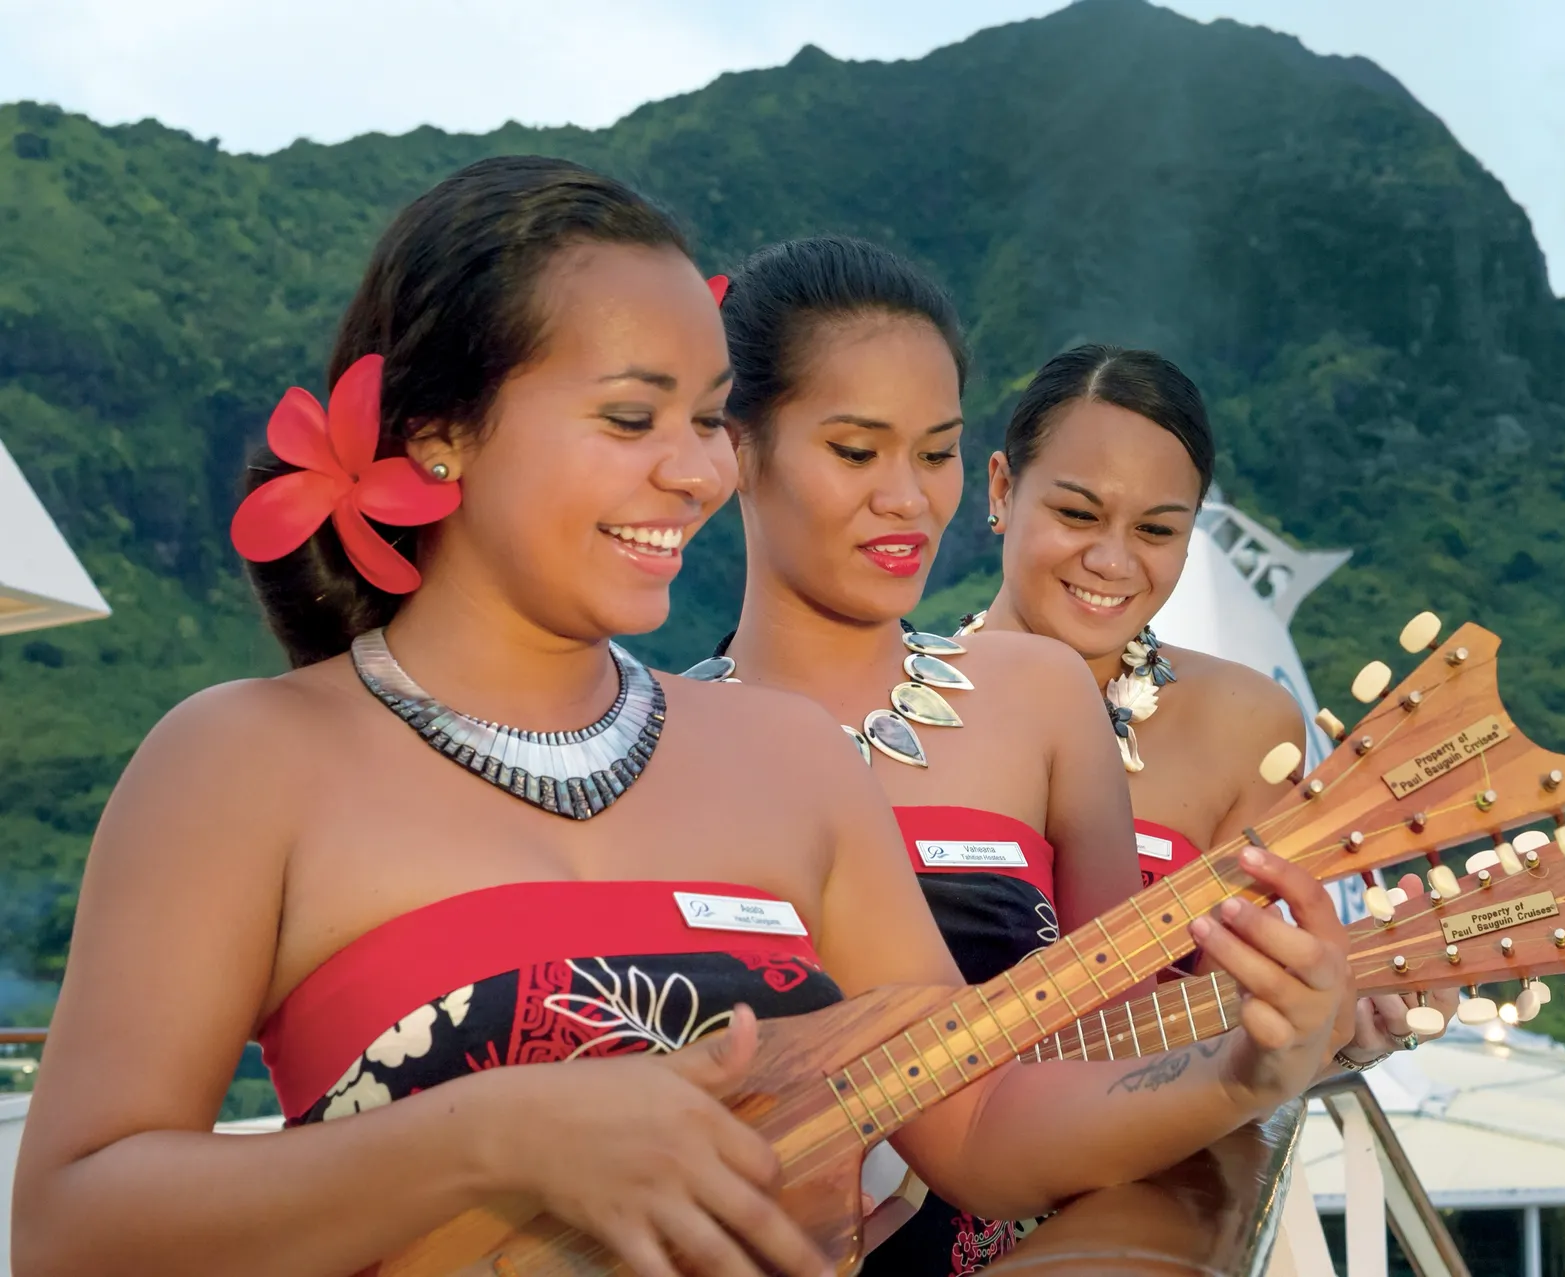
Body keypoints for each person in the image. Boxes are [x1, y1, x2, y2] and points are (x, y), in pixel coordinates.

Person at [11, 160, 1354, 1277]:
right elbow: (72, 1220)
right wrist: (492, 1136)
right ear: (439, 437)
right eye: (632, 416)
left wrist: (1244, 1063)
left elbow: (981, 1122)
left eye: (709, 419)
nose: (696, 468)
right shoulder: (243, 763)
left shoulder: (783, 757)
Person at [700, 238, 1337, 1273]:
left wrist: (1265, 1053)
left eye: (933, 450)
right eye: (858, 452)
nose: (907, 498)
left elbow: (1124, 1044)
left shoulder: (1041, 699)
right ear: (734, 447)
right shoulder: (661, 733)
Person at [969, 344, 1458, 1069]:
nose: (1111, 560)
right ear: (1002, 490)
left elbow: (1215, 1042)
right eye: (1077, 513)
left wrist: (1345, 1034)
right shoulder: (886, 708)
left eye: (1157, 530)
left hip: (1127, 1172)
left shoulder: (1244, 727)